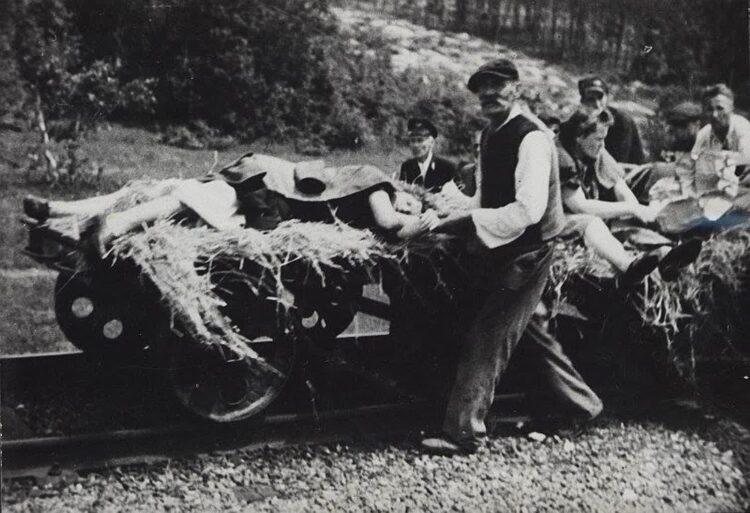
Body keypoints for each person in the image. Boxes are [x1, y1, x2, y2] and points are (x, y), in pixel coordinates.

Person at [420, 58, 603, 456]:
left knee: (487, 335)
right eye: (481, 88)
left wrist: (466, 221)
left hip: (529, 252)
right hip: (504, 245)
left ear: (516, 89)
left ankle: (464, 433)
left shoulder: (532, 138)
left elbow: (528, 211)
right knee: (530, 334)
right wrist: (448, 210)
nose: (488, 94)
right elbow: (485, 198)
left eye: (497, 85)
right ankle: (583, 405)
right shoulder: (489, 134)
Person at [23, 153, 440, 256]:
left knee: (166, 190)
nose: (405, 207)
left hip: (260, 183)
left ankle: (58, 212)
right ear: (405, 193)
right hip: (263, 189)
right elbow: (389, 223)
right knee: (183, 197)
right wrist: (425, 221)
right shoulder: (378, 183)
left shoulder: (357, 182)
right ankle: (111, 225)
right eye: (410, 203)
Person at [557, 110, 702, 284]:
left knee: (629, 225)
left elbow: (619, 186)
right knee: (592, 222)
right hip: (559, 222)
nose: (602, 145)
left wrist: (640, 213)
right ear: (579, 137)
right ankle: (628, 266)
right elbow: (580, 206)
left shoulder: (595, 150)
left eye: (604, 139)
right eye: (598, 139)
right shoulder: (562, 156)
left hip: (586, 220)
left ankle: (665, 256)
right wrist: (632, 209)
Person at [568, 76, 645, 165]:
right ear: (582, 100)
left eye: (600, 97)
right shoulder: (578, 118)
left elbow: (617, 162)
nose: (596, 103)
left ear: (607, 98)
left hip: (625, 168)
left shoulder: (620, 121)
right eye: (590, 99)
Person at [692, 83, 750, 179]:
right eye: (709, 109)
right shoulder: (704, 133)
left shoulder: (742, 127)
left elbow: (747, 157)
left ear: (731, 108)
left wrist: (712, 157)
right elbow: (693, 159)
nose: (714, 115)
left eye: (720, 108)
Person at [399, 118, 457, 192]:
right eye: (412, 141)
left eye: (420, 140)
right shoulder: (407, 166)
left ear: (431, 143)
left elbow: (455, 196)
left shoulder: (447, 168)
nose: (416, 145)